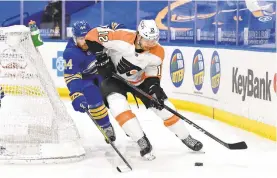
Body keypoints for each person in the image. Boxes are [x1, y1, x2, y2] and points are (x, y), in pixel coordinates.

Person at [84, 19, 203, 160]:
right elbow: (91, 35)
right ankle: (141, 140)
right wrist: (101, 56)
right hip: (114, 78)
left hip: (140, 81)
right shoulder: (122, 37)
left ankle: (186, 137)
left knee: (164, 107)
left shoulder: (158, 52)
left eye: (154, 40)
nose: (150, 44)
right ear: (139, 35)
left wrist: (154, 88)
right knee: (118, 106)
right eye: (147, 40)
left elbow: (153, 74)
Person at [63, 20, 124, 142]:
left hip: (104, 73)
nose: (85, 41)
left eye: (86, 37)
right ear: (74, 39)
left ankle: (129, 126)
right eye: (81, 38)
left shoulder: (99, 34)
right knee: (93, 99)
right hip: (87, 79)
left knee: (118, 99)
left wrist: (123, 30)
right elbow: (72, 76)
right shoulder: (71, 53)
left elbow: (115, 26)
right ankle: (106, 126)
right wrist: (76, 95)